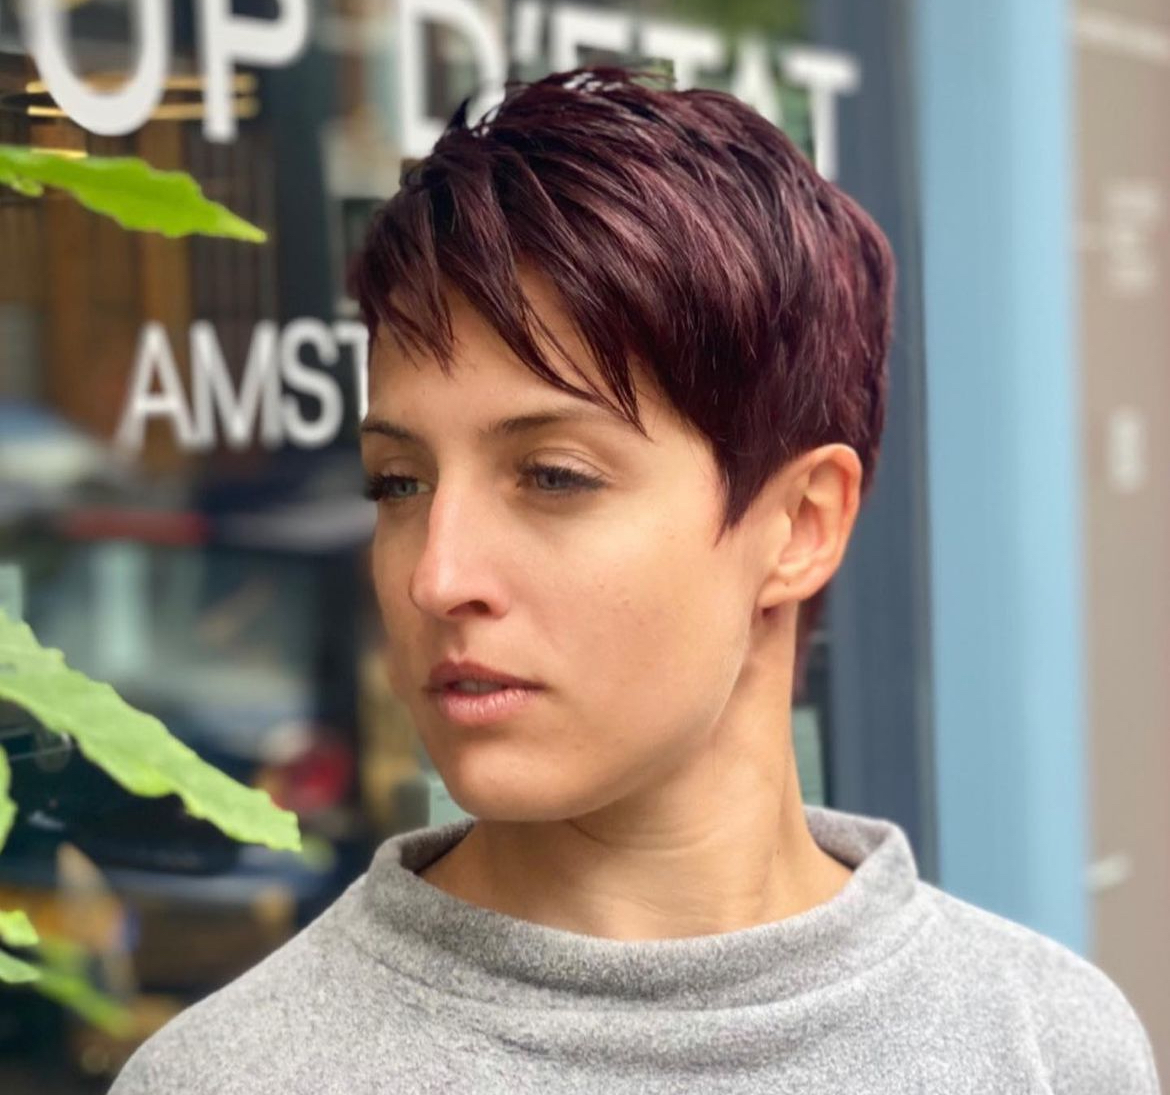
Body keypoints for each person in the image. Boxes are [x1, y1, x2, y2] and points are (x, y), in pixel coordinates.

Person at [109, 66, 1160, 1094]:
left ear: (800, 525)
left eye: (553, 475)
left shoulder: (1044, 1044)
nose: (438, 575)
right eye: (398, 482)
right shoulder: (230, 1077)